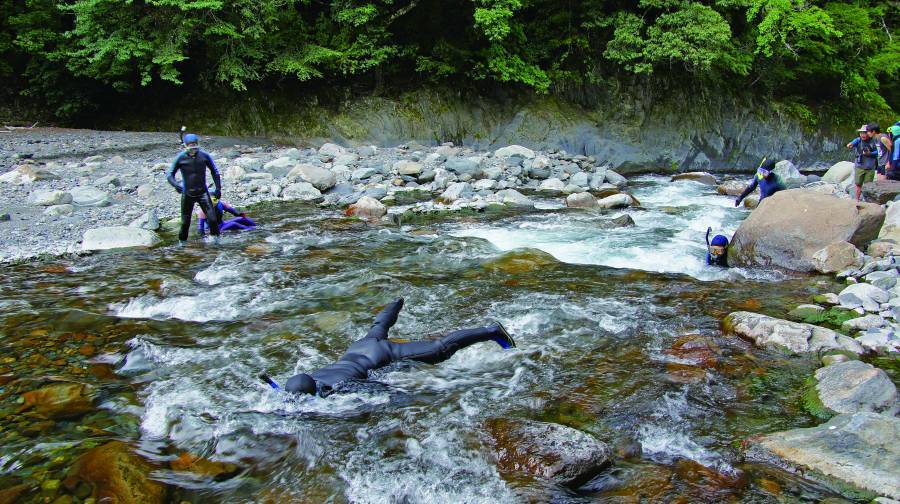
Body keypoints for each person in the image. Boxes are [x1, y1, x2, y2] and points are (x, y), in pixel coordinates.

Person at [269, 298, 516, 396]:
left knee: (440, 350)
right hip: (359, 347)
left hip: (380, 355)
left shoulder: (338, 388)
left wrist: (404, 399)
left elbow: (380, 389)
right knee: (378, 327)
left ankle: (492, 331)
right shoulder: (305, 385)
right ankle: (395, 302)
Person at [167, 133, 222, 242]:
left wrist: (218, 188)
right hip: (187, 194)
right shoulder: (181, 157)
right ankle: (182, 245)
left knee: (212, 219)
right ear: (186, 146)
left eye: (195, 145)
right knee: (185, 223)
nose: (193, 149)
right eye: (191, 146)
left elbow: (215, 172)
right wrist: (176, 185)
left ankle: (216, 242)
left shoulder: (204, 156)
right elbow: (170, 174)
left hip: (203, 193)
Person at [847, 124, 878, 200]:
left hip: (870, 167)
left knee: (868, 185)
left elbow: (878, 152)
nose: (862, 135)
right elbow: (852, 143)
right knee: (858, 184)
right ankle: (857, 200)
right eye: (861, 133)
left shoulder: (874, 141)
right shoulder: (858, 140)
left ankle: (867, 200)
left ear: (869, 133)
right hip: (859, 166)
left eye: (864, 133)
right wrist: (850, 145)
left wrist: (870, 153)